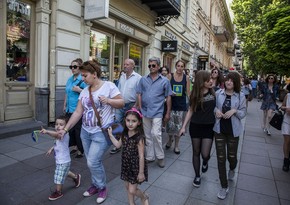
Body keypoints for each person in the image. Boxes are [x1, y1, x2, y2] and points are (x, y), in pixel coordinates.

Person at [58, 59, 124, 204]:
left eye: (85, 75)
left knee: (93, 162)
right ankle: (95, 185)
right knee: (91, 161)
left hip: (102, 132)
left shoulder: (109, 86)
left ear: (94, 74)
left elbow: (121, 102)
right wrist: (66, 129)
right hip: (86, 132)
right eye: (81, 75)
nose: (82, 78)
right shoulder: (85, 91)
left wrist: (108, 100)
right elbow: (77, 112)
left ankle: (102, 187)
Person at [178, 70, 215, 187]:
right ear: (201, 81)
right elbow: (190, 110)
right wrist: (183, 127)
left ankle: (205, 161)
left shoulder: (214, 93)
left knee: (205, 154)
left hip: (209, 126)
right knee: (196, 152)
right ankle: (197, 176)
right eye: (208, 79)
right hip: (196, 126)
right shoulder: (195, 94)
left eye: (211, 78)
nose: (211, 81)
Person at [214, 71, 246, 200]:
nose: (229, 82)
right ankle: (224, 186)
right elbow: (213, 108)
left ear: (235, 83)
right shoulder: (218, 93)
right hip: (219, 130)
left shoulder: (241, 96)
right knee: (221, 158)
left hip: (234, 131)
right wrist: (216, 111)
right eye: (227, 80)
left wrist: (235, 111)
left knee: (231, 157)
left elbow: (243, 113)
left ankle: (232, 168)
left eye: (232, 81)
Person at [107, 108, 149, 205]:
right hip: (126, 165)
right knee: (127, 187)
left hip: (136, 167)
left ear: (139, 122)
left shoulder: (139, 138)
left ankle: (144, 197)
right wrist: (110, 135)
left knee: (132, 190)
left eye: (134, 121)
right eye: (128, 120)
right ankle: (131, 203)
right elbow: (118, 145)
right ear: (125, 120)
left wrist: (141, 173)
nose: (130, 124)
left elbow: (142, 156)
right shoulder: (124, 133)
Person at [136, 57, 172, 168]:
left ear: (158, 66)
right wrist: (140, 108)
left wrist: (168, 113)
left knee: (156, 134)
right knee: (147, 135)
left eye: (153, 65)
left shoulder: (165, 81)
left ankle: (160, 157)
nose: (151, 67)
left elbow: (168, 97)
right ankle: (150, 156)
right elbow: (139, 94)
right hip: (145, 111)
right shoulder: (143, 79)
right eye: (149, 65)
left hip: (157, 111)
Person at [40, 115, 81, 201]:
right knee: (64, 173)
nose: (58, 126)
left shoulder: (64, 134)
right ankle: (76, 177)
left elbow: (56, 136)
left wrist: (47, 131)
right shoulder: (59, 135)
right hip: (61, 160)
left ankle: (58, 192)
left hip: (63, 161)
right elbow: (57, 143)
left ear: (66, 127)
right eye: (56, 124)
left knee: (58, 177)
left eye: (61, 124)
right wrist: (52, 149)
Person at [110, 59, 142, 154]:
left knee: (131, 125)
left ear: (133, 66)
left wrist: (136, 105)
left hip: (131, 104)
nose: (125, 66)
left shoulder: (138, 77)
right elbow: (118, 89)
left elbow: (139, 93)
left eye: (127, 64)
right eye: (124, 64)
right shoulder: (122, 76)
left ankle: (132, 144)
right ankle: (118, 144)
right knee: (118, 123)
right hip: (120, 103)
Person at [165, 60, 190, 154]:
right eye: (178, 66)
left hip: (181, 105)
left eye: (182, 66)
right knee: (170, 126)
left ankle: (176, 146)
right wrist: (171, 93)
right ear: (175, 66)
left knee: (179, 127)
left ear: (184, 68)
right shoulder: (170, 76)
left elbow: (188, 93)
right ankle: (169, 140)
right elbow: (166, 90)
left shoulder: (186, 78)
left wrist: (190, 105)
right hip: (171, 104)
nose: (179, 68)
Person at [63, 58, 87, 158]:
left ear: (80, 68)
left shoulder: (83, 79)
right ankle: (74, 146)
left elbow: (88, 94)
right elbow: (66, 93)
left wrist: (79, 90)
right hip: (69, 108)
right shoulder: (70, 79)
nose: (72, 69)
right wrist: (64, 104)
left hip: (78, 109)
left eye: (75, 67)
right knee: (70, 130)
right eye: (71, 67)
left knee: (78, 130)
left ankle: (81, 150)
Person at [281, 84, 290, 172]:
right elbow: (282, 106)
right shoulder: (288, 96)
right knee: (287, 141)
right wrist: (286, 108)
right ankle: (286, 160)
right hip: (287, 121)